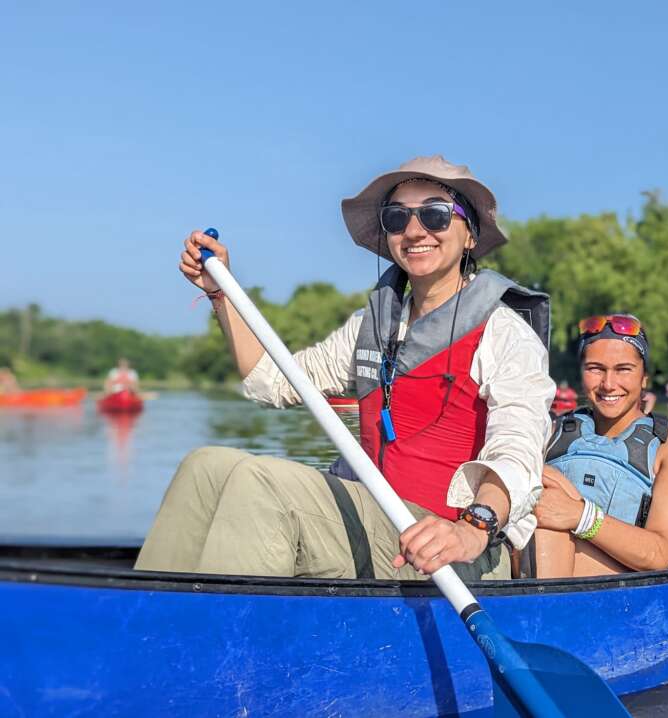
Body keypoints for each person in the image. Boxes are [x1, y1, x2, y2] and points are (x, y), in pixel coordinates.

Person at [135, 156, 555, 581]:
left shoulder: (504, 333)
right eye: (397, 217)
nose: (414, 230)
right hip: (375, 518)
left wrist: (473, 528)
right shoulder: (372, 326)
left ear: (469, 236)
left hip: (449, 548)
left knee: (257, 484)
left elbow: (518, 452)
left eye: (435, 214)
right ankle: (143, 620)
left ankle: (231, 642)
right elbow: (272, 381)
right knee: (205, 467)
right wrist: (222, 293)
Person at [532, 314, 668, 577]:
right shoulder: (551, 430)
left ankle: (542, 609)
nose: (608, 384)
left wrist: (580, 516)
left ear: (644, 377)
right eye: (595, 368)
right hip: (533, 557)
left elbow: (658, 555)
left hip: (620, 585)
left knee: (547, 519)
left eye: (623, 369)